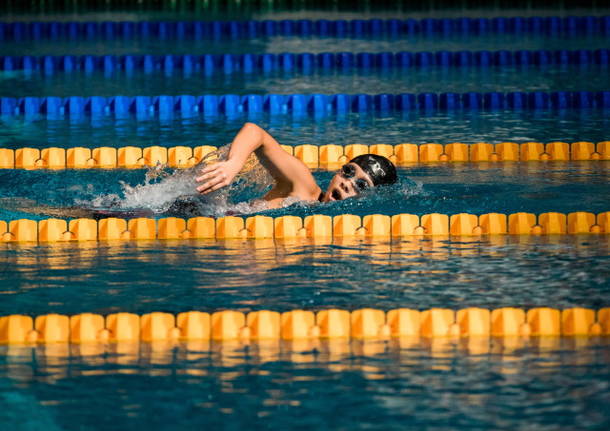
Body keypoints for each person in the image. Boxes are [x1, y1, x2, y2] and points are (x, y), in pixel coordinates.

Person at [194, 122, 397, 209]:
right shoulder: (303, 186)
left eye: (361, 185)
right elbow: (255, 132)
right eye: (348, 172)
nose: (347, 183)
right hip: (197, 210)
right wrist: (234, 163)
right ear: (338, 171)